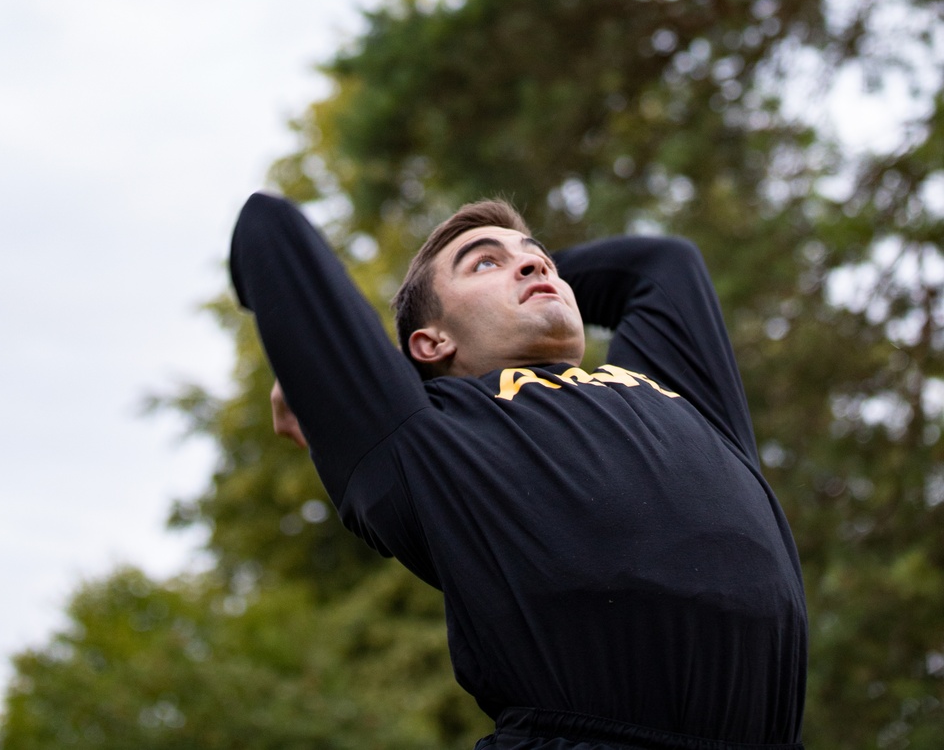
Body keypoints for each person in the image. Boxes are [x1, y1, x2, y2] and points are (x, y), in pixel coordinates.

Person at [230, 191, 808, 750]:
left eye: (540, 258)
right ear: (430, 344)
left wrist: (520, 273)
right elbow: (268, 226)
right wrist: (336, 376)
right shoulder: (422, 437)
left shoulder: (674, 392)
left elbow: (660, 265)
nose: (534, 263)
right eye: (485, 262)